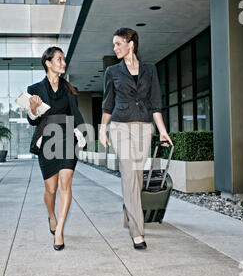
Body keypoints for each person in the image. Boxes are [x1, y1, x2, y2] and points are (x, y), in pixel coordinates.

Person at [99, 28, 173, 250]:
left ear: (130, 44)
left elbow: (155, 104)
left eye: (118, 44)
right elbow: (108, 104)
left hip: (144, 127)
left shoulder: (150, 70)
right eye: (113, 45)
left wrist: (162, 130)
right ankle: (137, 232)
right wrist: (102, 129)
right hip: (120, 127)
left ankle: (129, 217)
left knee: (137, 178)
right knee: (129, 174)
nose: (115, 48)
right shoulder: (112, 71)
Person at [27, 46, 85, 251]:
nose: (63, 63)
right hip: (48, 142)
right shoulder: (34, 89)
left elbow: (75, 114)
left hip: (68, 138)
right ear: (48, 63)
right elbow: (33, 120)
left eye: (63, 59)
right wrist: (33, 108)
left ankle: (59, 230)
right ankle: (51, 216)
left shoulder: (69, 89)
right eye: (58, 59)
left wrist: (81, 133)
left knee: (65, 183)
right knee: (50, 189)